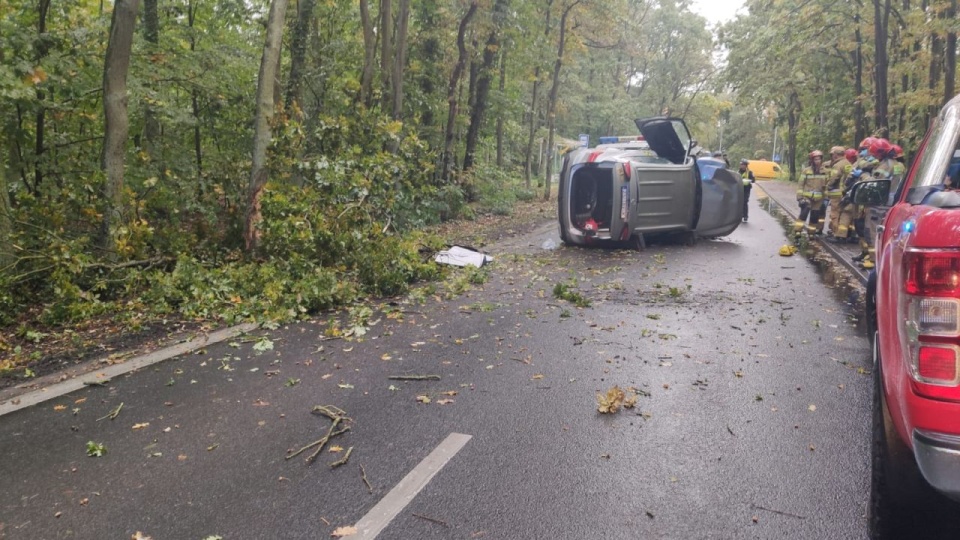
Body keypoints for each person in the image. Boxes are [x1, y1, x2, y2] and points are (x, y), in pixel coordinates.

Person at [795, 150, 828, 235]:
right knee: (803, 214)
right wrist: (799, 198)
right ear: (812, 160)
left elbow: (827, 186)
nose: (818, 161)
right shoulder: (806, 171)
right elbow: (800, 184)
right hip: (806, 197)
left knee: (814, 217)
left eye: (819, 159)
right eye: (816, 159)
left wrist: (826, 198)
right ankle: (797, 232)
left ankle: (811, 234)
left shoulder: (825, 171)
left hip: (818, 200)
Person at [825, 146, 852, 242]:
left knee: (835, 214)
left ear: (836, 155)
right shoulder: (848, 163)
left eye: (832, 154)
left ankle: (835, 233)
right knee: (843, 214)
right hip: (846, 193)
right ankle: (842, 234)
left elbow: (833, 178)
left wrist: (827, 187)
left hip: (837, 194)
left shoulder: (837, 165)